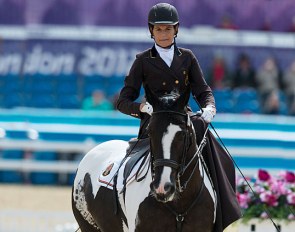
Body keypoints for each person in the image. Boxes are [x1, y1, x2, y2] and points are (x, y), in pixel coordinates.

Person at [116, 3, 241, 231]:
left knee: (219, 155)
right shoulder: (143, 60)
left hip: (183, 120)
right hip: (154, 122)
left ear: (176, 30)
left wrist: (209, 107)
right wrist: (141, 109)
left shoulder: (188, 58)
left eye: (168, 29)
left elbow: (203, 90)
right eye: (159, 29)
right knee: (128, 165)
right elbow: (122, 100)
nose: (163, 34)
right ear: (151, 31)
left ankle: (221, 206)